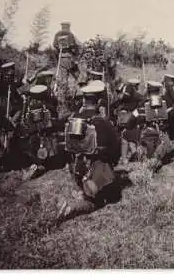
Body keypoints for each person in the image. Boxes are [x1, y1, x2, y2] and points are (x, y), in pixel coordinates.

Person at [57, 81, 121, 223]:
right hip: (97, 169)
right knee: (100, 200)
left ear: (84, 99)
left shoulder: (72, 117)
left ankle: (81, 189)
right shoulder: (103, 122)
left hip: (76, 167)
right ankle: (74, 207)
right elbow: (116, 149)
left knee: (88, 186)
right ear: (98, 102)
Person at [52, 22, 82, 116]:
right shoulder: (70, 34)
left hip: (61, 58)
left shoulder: (57, 34)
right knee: (77, 75)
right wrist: (75, 54)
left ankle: (63, 98)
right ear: (68, 26)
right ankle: (79, 91)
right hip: (69, 57)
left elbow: (54, 45)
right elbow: (75, 45)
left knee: (63, 80)